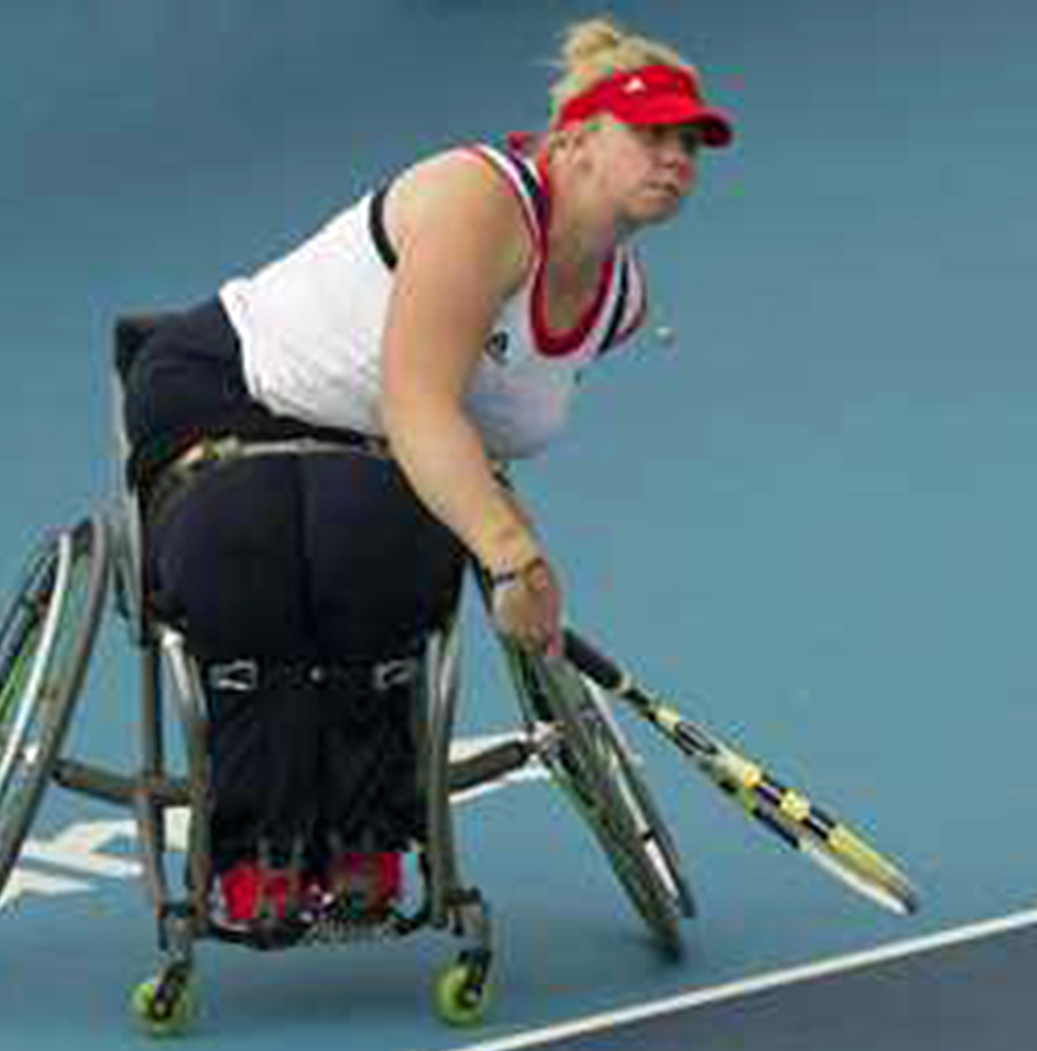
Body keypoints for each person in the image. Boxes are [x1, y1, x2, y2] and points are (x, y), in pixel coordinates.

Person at [121, 15, 733, 934]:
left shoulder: (620, 302)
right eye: (652, 134)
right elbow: (417, 402)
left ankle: (370, 837)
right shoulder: (474, 199)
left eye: (691, 142)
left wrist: (492, 539)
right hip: (233, 390)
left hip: (369, 453)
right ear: (573, 140)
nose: (677, 156)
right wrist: (513, 553)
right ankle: (254, 852)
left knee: (378, 549)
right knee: (252, 548)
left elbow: (471, 427)